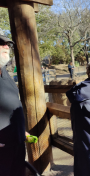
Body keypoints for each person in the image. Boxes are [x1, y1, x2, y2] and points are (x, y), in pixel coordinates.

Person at [0, 29, 37, 176]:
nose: (6, 46)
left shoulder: (4, 71)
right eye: (0, 43)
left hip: (16, 142)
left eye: (7, 43)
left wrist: (20, 128)